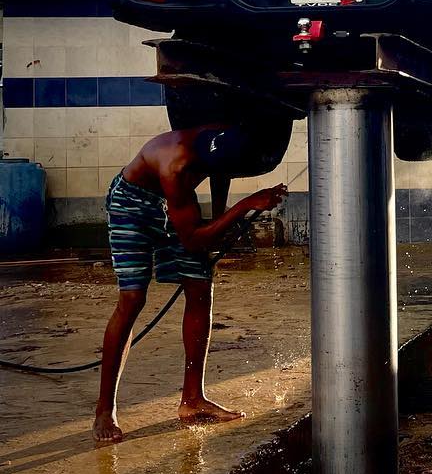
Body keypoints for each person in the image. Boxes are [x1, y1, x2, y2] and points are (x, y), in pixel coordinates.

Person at [93, 122, 289, 442]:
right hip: (132, 205)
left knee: (199, 287)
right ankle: (104, 410)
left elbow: (219, 178)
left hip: (173, 202)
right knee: (133, 298)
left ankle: (192, 401)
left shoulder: (219, 138)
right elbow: (194, 239)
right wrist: (244, 207)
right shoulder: (178, 166)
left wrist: (224, 214)